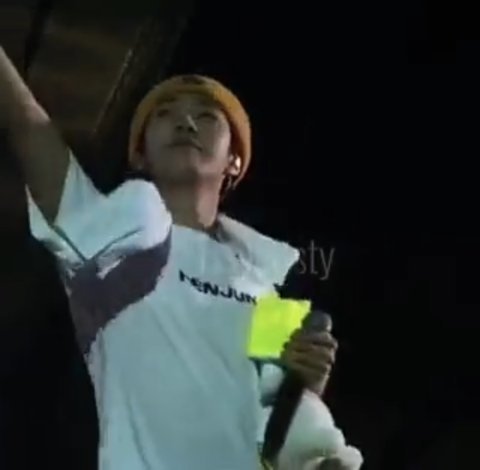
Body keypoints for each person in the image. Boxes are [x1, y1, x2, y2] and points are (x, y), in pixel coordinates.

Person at [0, 46, 363, 470]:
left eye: (207, 117)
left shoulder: (264, 280)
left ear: (234, 161)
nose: (186, 122)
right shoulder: (109, 237)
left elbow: (279, 417)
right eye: (165, 114)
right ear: (139, 154)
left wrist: (308, 383)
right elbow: (28, 123)